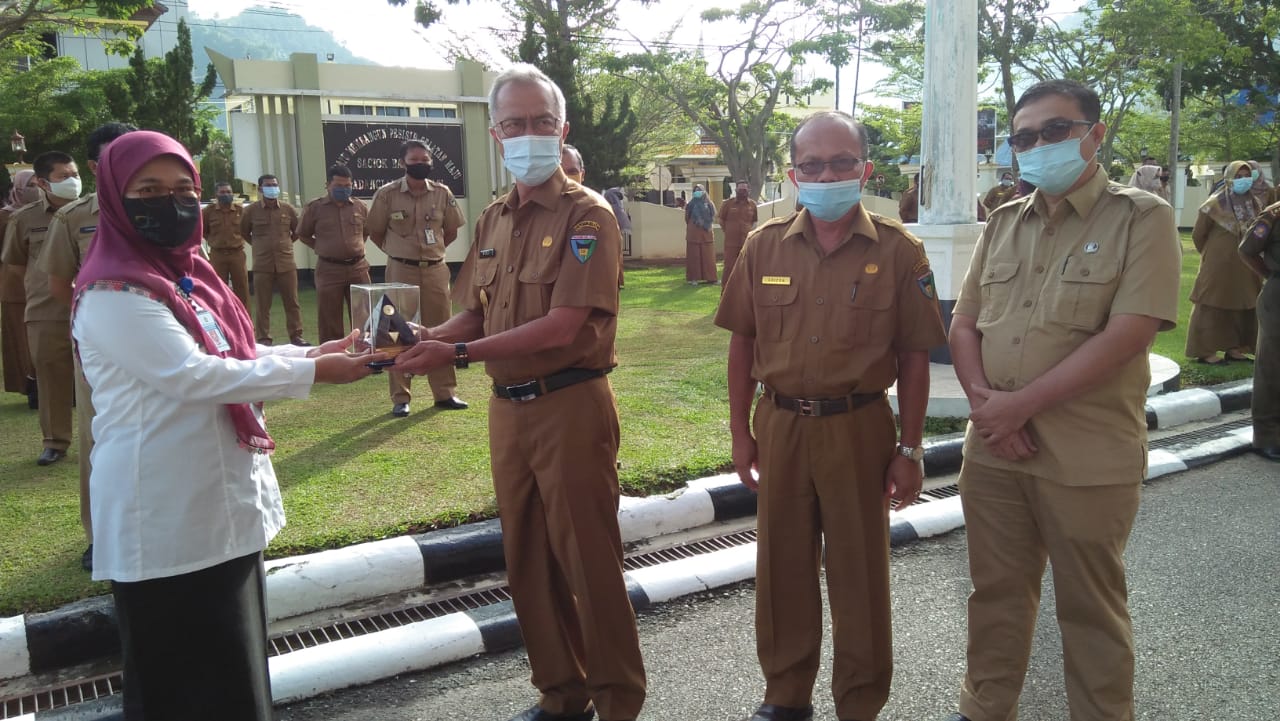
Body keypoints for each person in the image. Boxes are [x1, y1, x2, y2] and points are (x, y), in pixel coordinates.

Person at [71, 130, 382, 721]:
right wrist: (316, 376)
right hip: (163, 511)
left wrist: (315, 353)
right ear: (116, 196)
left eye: (183, 188)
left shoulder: (190, 275)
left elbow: (235, 354)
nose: (172, 202)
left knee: (234, 673)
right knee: (182, 683)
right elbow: (191, 376)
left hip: (218, 505)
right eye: (149, 190)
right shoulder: (114, 289)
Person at [393, 63, 645, 721]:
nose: (527, 134)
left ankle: (618, 700)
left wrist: (458, 353)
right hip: (510, 410)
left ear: (561, 129)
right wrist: (426, 336)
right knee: (527, 557)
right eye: (514, 123)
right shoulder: (495, 218)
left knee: (588, 561)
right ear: (495, 132)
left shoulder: (588, 216)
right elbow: (477, 311)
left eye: (540, 122)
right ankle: (562, 693)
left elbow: (563, 326)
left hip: (571, 402)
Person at [941, 79, 1181, 721]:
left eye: (1055, 131)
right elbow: (964, 326)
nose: (1038, 146)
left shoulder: (1141, 218)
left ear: (1094, 135)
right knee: (993, 595)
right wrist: (989, 407)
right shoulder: (1002, 224)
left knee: (1090, 607)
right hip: (993, 455)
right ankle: (985, 709)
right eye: (1024, 138)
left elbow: (1131, 331)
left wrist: (1018, 407)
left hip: (1085, 456)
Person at [714, 110, 945, 721]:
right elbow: (742, 342)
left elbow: (915, 357)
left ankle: (859, 703)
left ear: (864, 169)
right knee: (782, 567)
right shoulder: (763, 244)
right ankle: (785, 695)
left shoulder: (900, 250)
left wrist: (912, 448)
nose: (827, 174)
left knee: (859, 573)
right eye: (812, 165)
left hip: (860, 426)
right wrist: (740, 431)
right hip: (782, 424)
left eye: (842, 162)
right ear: (793, 175)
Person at [37, 120, 136, 570]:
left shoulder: (160, 207)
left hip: (163, 338)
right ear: (97, 165)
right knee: (100, 434)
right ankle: (100, 535)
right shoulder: (74, 217)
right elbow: (60, 284)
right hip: (100, 347)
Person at [367, 139, 467, 417]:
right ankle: (401, 397)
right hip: (401, 269)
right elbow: (374, 231)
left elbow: (451, 231)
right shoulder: (387, 195)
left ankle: (445, 393)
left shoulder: (442, 193)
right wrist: (399, 253)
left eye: (425, 159)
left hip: (435, 269)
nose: (421, 164)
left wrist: (432, 252)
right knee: (396, 330)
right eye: (415, 160)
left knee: (442, 330)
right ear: (403, 163)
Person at [2, 150, 82, 466]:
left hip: (93, 307)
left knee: (101, 376)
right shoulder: (24, 219)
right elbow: (18, 266)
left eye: (74, 174)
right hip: (46, 310)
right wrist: (45, 285)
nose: (73, 181)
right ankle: (55, 441)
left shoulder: (94, 212)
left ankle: (106, 436)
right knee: (50, 376)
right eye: (64, 176)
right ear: (41, 182)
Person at [1186, 161, 1264, 365]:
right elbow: (1198, 234)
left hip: (1247, 263)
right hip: (1218, 263)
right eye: (1238, 176)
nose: (1243, 180)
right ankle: (1204, 351)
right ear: (1229, 178)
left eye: (1247, 175)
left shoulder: (1253, 203)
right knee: (1212, 302)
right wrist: (1212, 254)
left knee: (1243, 301)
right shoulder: (1214, 204)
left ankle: (1235, 348)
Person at [298, 164, 371, 343]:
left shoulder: (359, 207)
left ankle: (367, 353)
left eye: (348, 186)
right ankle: (334, 359)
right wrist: (322, 247)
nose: (344, 189)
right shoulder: (315, 208)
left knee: (365, 314)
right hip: (329, 269)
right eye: (339, 186)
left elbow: (366, 231)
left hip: (358, 268)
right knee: (330, 318)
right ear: (328, 185)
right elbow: (303, 234)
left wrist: (354, 248)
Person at [240, 174, 305, 346]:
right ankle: (263, 338)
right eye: (268, 185)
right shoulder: (251, 211)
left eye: (275, 185)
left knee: (292, 302)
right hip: (262, 264)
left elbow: (297, 230)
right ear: (260, 189)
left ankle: (296, 336)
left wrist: (285, 244)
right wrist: (259, 246)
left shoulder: (287, 209)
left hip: (286, 263)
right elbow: (244, 232)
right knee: (262, 304)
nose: (272, 188)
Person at [1240, 202, 1280, 461]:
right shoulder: (1273, 214)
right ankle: (1266, 436)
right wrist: (1270, 275)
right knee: (1272, 368)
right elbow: (1246, 250)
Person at [1, 169, 37, 401]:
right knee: (22, 340)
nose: (36, 190)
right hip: (14, 286)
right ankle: (31, 387)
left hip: (41, 283)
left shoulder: (46, 214)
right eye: (31, 185)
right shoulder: (5, 216)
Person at [202, 181, 251, 309]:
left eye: (229, 192)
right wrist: (214, 240)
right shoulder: (208, 212)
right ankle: (222, 322)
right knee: (218, 289)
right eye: (222, 192)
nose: (226, 195)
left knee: (242, 289)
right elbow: (203, 231)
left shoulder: (241, 211)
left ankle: (246, 324)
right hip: (217, 255)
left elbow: (248, 230)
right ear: (216, 194)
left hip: (237, 254)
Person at [718, 179, 758, 287]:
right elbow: (721, 220)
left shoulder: (752, 205)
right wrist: (729, 231)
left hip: (747, 242)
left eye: (745, 189)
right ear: (736, 190)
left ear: (748, 190)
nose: (742, 191)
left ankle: (745, 289)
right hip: (731, 243)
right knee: (729, 267)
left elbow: (754, 222)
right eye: (740, 189)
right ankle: (726, 290)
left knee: (747, 266)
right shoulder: (727, 204)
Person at [684, 183, 717, 285]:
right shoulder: (690, 204)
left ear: (704, 191)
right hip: (693, 234)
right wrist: (697, 223)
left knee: (708, 256)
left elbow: (713, 216)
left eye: (699, 190)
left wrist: (704, 223)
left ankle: (711, 278)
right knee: (694, 256)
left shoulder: (710, 204)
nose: (697, 192)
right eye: (695, 190)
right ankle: (693, 279)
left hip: (707, 233)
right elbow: (687, 218)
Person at [603, 185, 630, 288]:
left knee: (614, 259)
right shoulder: (618, 207)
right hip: (615, 235)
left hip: (612, 235)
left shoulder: (613, 208)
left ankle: (616, 281)